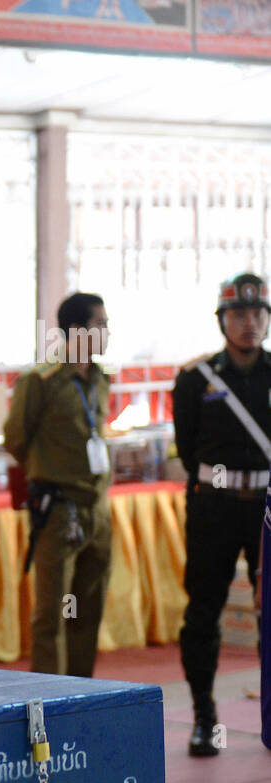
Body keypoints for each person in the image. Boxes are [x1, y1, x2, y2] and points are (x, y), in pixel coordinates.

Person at [172, 273, 271, 757]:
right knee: (203, 612)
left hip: (269, 510)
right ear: (222, 321)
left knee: (270, 611)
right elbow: (189, 451)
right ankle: (204, 718)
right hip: (213, 506)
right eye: (239, 314)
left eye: (258, 314)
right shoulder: (196, 379)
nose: (249, 323)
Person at [3, 292, 113, 677]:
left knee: (88, 610)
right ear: (78, 331)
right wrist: (47, 469)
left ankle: (82, 694)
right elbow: (15, 439)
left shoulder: (101, 379)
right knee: (52, 614)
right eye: (101, 324)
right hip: (59, 511)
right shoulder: (40, 381)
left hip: (97, 509)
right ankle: (51, 702)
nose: (107, 332)